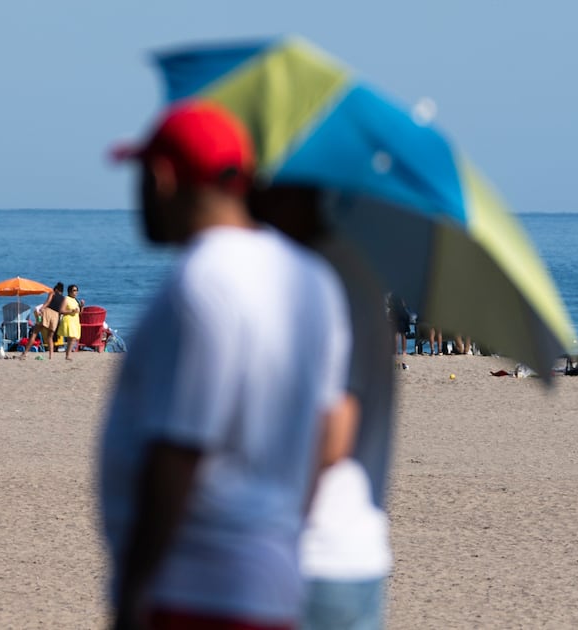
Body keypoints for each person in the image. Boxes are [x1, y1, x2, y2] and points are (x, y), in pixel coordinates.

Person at [100, 100, 353, 629]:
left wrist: (132, 592)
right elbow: (331, 431)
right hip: (271, 576)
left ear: (163, 178)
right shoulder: (313, 278)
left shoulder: (201, 282)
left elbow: (178, 451)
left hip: (195, 588)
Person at [250, 184, 396, 630]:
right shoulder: (359, 277)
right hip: (352, 544)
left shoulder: (323, 279)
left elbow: (333, 431)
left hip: (314, 550)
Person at [21, 282, 65, 360]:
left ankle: (25, 353)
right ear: (61, 291)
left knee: (34, 334)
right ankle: (51, 356)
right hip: (55, 317)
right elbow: (62, 310)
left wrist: (41, 309)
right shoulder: (64, 299)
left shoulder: (52, 293)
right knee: (50, 337)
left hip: (47, 313)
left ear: (56, 289)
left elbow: (47, 302)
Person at [56, 285, 82, 359]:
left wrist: (82, 306)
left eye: (76, 290)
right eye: (74, 290)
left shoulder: (76, 300)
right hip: (68, 320)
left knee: (73, 338)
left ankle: (67, 354)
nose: (75, 292)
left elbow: (79, 313)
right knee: (72, 338)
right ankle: (68, 355)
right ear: (69, 291)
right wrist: (71, 311)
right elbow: (61, 311)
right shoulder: (66, 299)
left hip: (75, 320)